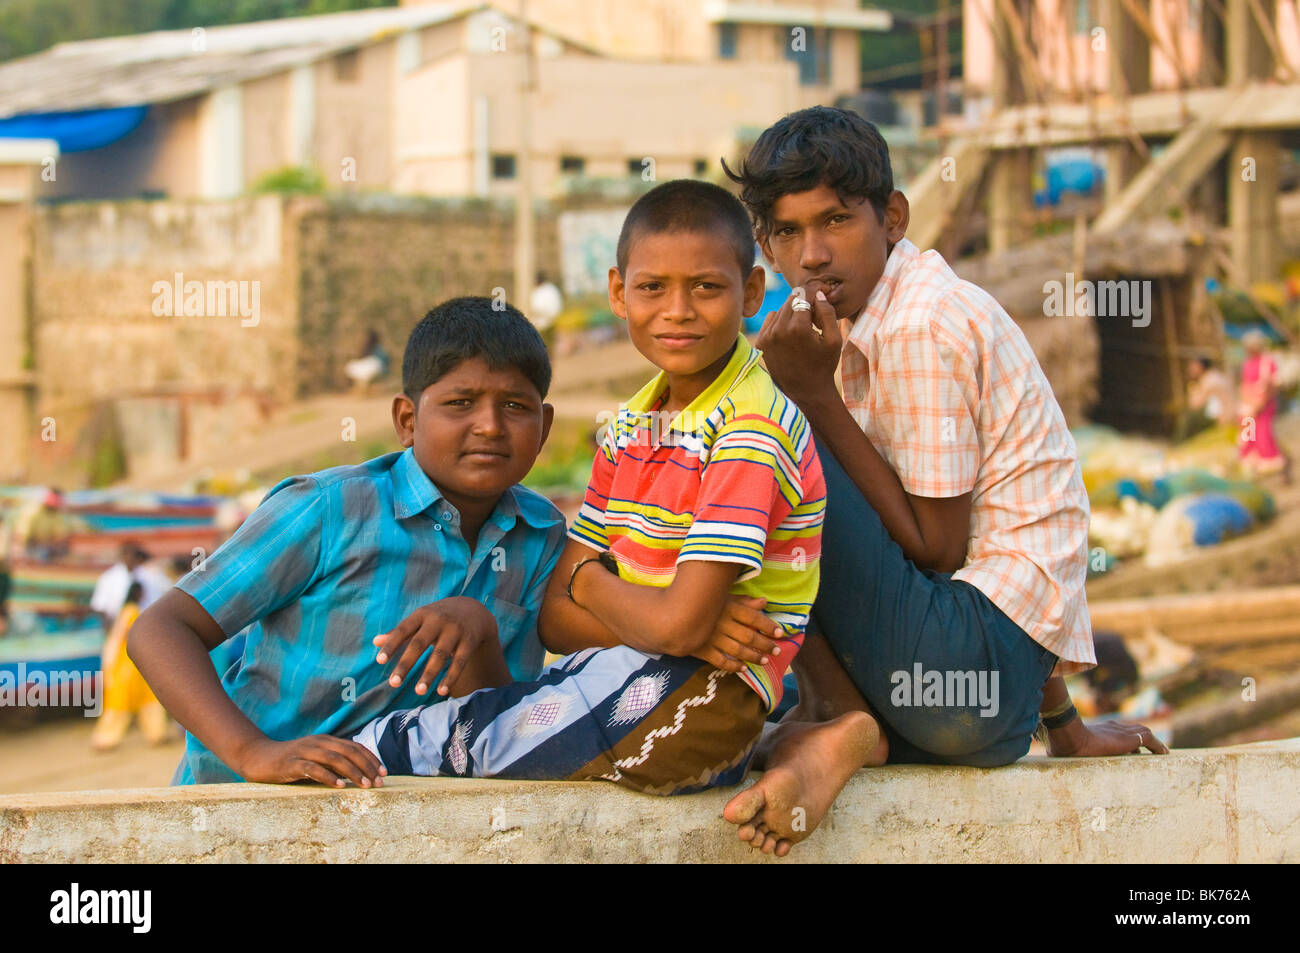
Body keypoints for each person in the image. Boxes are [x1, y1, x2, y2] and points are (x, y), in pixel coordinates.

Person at [715, 106, 1167, 856]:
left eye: (836, 220)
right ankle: (834, 717)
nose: (815, 254)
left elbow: (938, 546)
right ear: (765, 244)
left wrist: (808, 396)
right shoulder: (861, 324)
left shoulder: (921, 322)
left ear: (892, 218)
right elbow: (1007, 544)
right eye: (788, 233)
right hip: (978, 699)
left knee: (763, 432)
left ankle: (836, 720)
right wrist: (1065, 727)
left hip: (965, 667)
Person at [353, 180, 841, 794]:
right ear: (618, 293)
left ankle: (803, 743)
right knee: (475, 723)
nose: (678, 310)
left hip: (698, 698)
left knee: (392, 748)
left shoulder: (750, 427)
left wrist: (597, 583)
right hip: (627, 669)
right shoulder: (631, 428)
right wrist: (666, 620)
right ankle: (809, 742)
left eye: (707, 287)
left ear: (750, 293)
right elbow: (557, 621)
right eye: (652, 287)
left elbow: (665, 625)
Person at [129, 298, 567, 785]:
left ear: (543, 426)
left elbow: (497, 724)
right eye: (459, 403)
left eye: (515, 406)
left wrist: (476, 626)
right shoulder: (329, 509)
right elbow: (162, 628)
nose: (489, 425)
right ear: (406, 420)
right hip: (249, 802)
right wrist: (254, 753)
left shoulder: (541, 534)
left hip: (395, 815)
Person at [92, 581, 170, 751]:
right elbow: (129, 636)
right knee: (133, 699)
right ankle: (153, 733)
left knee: (131, 700)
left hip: (128, 664)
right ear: (138, 594)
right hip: (130, 665)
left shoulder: (125, 612)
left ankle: (152, 734)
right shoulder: (131, 612)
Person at [1238, 329, 1288, 478]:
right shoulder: (1247, 364)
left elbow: (1273, 383)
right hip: (1251, 403)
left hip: (1265, 402)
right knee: (1249, 430)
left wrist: (1262, 400)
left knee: (1263, 431)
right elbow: (1245, 384)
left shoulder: (1268, 362)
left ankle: (1271, 459)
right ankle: (1252, 459)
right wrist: (1249, 401)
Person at [89, 542, 172, 627]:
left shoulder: (150, 577)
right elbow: (99, 606)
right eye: (126, 554)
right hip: (114, 626)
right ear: (121, 556)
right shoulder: (109, 577)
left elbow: (154, 605)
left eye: (133, 555)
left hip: (143, 626)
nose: (129, 558)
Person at [1174, 355, 1233, 442]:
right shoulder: (1214, 376)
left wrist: (1192, 389)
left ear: (1200, 367)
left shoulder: (1209, 380)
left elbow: (1195, 405)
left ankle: (1178, 445)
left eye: (1193, 367)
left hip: (1222, 418)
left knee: (1188, 418)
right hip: (1221, 415)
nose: (1190, 370)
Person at [344, 330, 391, 394]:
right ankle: (362, 390)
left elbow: (384, 362)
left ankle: (362, 390)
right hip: (372, 369)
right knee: (356, 368)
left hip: (376, 369)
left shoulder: (378, 349)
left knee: (363, 369)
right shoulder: (370, 348)